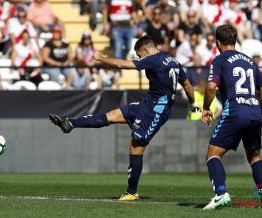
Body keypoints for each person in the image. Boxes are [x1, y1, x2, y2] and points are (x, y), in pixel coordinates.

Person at [49, 35, 200, 201]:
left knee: (136, 147)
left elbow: (124, 65)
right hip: (147, 104)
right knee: (112, 115)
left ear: (146, 49)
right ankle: (70, 123)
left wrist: (101, 58)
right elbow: (186, 84)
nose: (140, 59)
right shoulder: (172, 60)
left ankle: (132, 192)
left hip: (156, 110)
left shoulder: (153, 59)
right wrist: (193, 104)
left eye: (140, 55)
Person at [201, 24, 262, 209]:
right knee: (255, 158)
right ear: (234, 39)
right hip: (254, 112)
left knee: (213, 155)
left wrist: (206, 108)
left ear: (217, 42)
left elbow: (210, 87)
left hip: (235, 112)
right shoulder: (250, 61)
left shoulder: (220, 59)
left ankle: (221, 193)